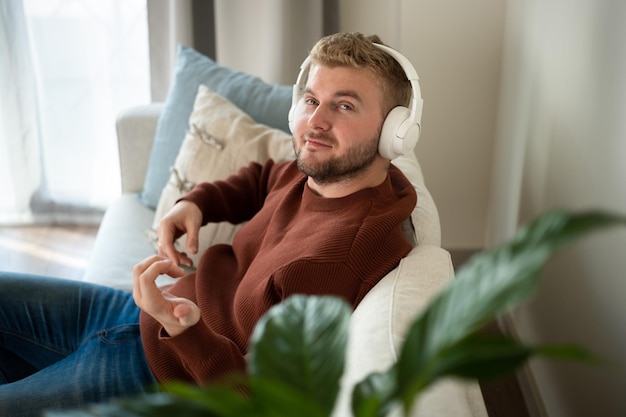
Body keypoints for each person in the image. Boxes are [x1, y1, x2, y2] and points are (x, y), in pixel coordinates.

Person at [0, 32, 418, 416]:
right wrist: (197, 203)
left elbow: (254, 399)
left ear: (394, 132)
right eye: (311, 101)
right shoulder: (320, 173)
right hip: (133, 313)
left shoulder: (339, 259)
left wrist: (186, 329)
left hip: (152, 375)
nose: (316, 121)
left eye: (344, 105)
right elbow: (260, 178)